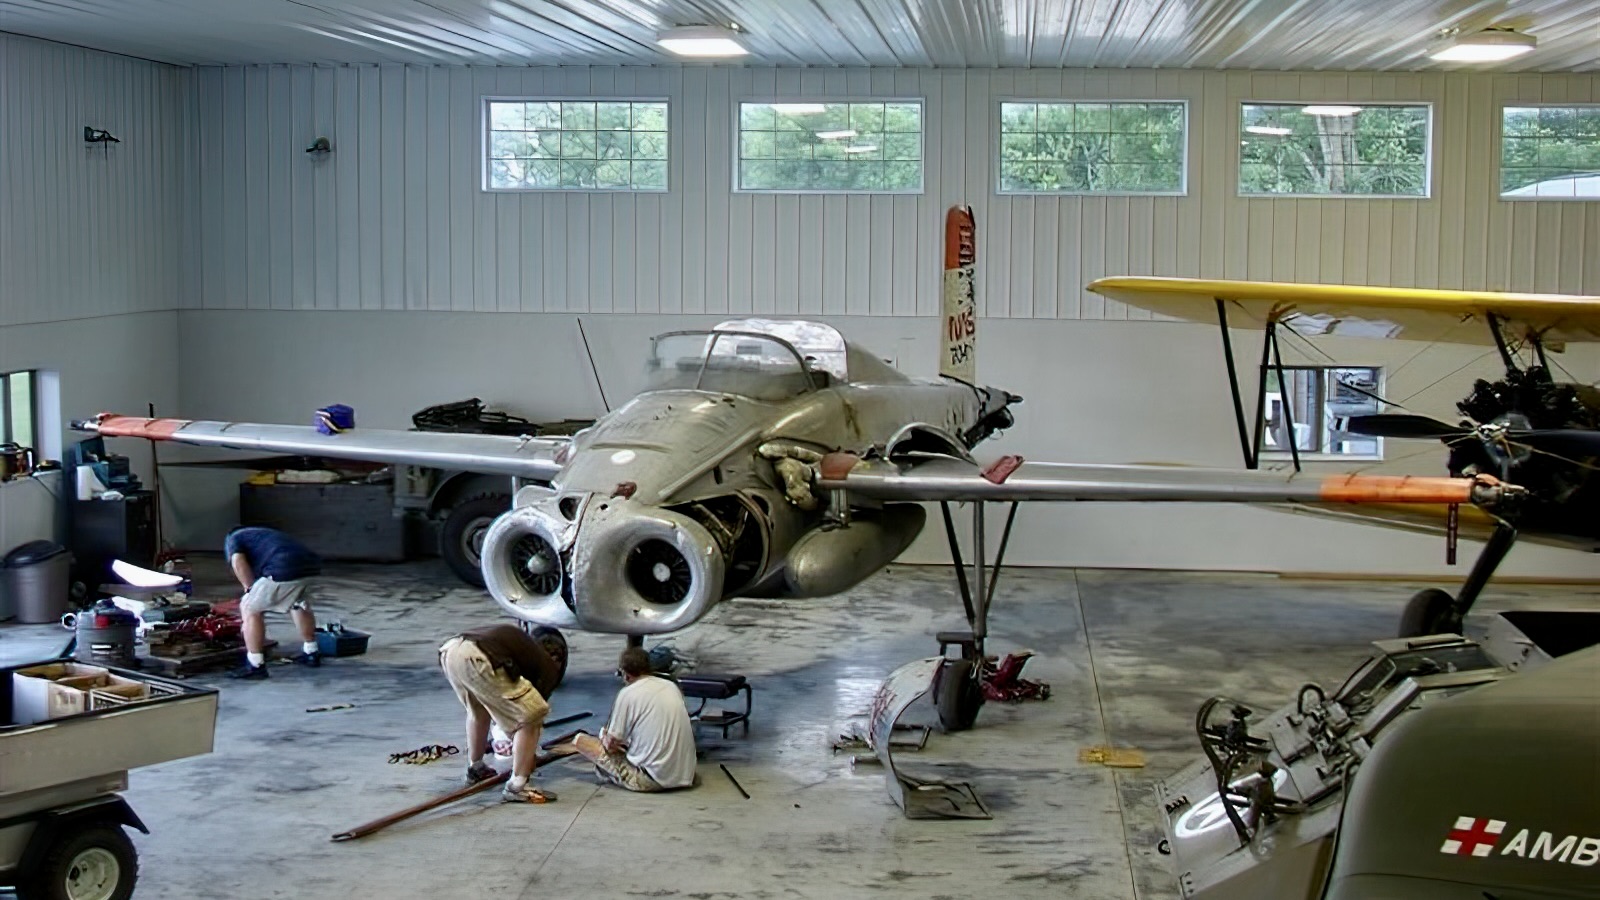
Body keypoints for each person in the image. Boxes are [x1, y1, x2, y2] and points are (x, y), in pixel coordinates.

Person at [439, 624, 561, 803]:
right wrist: (529, 756)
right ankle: (518, 785)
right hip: (478, 656)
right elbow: (528, 716)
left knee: (478, 709)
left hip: (451, 650)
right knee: (533, 714)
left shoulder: (522, 646)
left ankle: (476, 768)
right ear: (557, 658)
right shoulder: (548, 668)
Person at [574, 647, 697, 792]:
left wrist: (604, 735)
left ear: (625, 674)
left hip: (651, 779)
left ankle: (617, 774)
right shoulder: (671, 686)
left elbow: (611, 744)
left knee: (581, 741)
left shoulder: (627, 693)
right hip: (685, 776)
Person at [226, 526, 324, 679]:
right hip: (310, 565)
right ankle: (311, 652)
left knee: (250, 608)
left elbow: (238, 562)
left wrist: (249, 588)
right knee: (298, 603)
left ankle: (255, 665)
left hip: (283, 565)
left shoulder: (233, 538)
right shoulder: (260, 535)